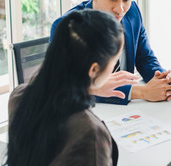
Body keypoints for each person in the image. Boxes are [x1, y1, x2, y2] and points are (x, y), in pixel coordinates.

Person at [6, 10, 138, 166]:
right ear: (94, 70)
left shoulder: (19, 96)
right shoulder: (90, 133)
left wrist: (88, 87)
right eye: (114, 62)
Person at [50, 0, 171, 105]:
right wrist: (140, 92)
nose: (120, 9)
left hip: (129, 112)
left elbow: (145, 58)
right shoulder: (67, 27)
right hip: (88, 110)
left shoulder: (132, 12)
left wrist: (163, 80)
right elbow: (69, 84)